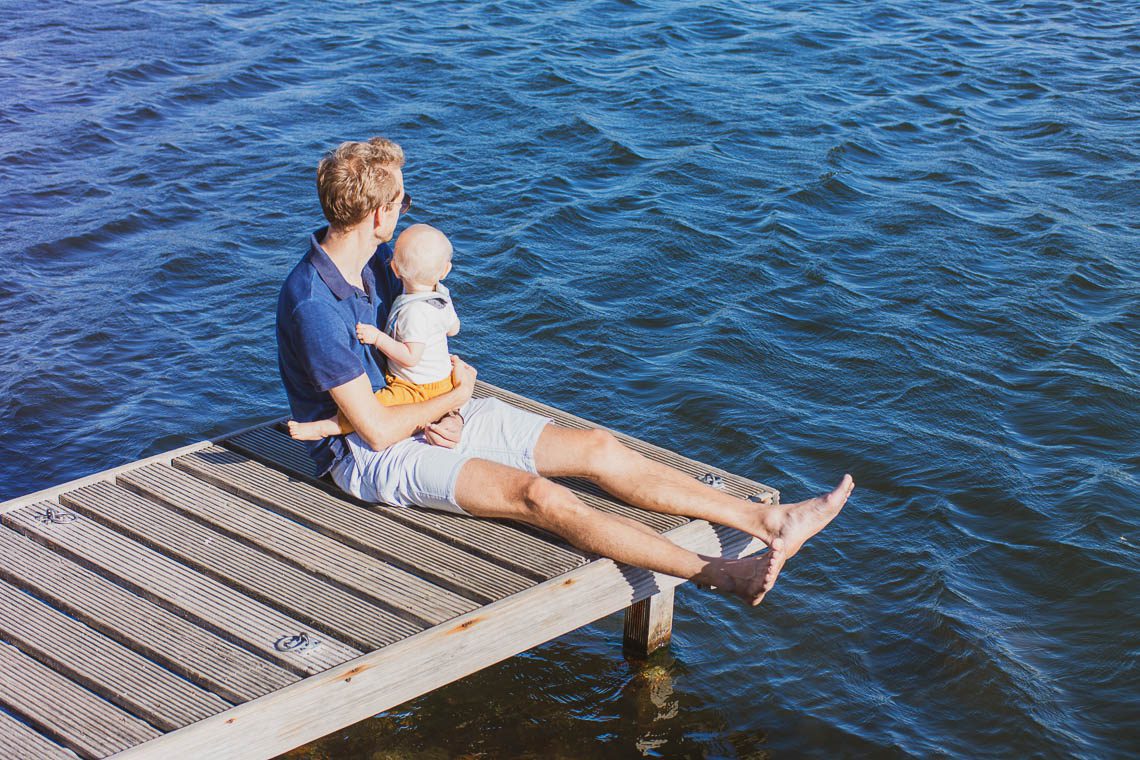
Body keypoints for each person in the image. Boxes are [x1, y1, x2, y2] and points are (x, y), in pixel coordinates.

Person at [276, 137, 853, 606]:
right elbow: (374, 430)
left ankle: (768, 520)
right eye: (404, 201)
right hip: (369, 455)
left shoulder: (379, 263)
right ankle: (721, 574)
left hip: (422, 408)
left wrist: (443, 406)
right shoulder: (316, 306)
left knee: (598, 448)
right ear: (379, 214)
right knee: (541, 497)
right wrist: (457, 396)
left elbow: (416, 350)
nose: (407, 212)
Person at [286, 223, 460, 441]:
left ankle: (328, 427)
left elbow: (410, 357)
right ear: (446, 270)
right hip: (443, 380)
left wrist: (378, 338)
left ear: (395, 269)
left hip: (416, 388)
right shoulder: (442, 297)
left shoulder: (414, 312)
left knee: (377, 407)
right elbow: (454, 329)